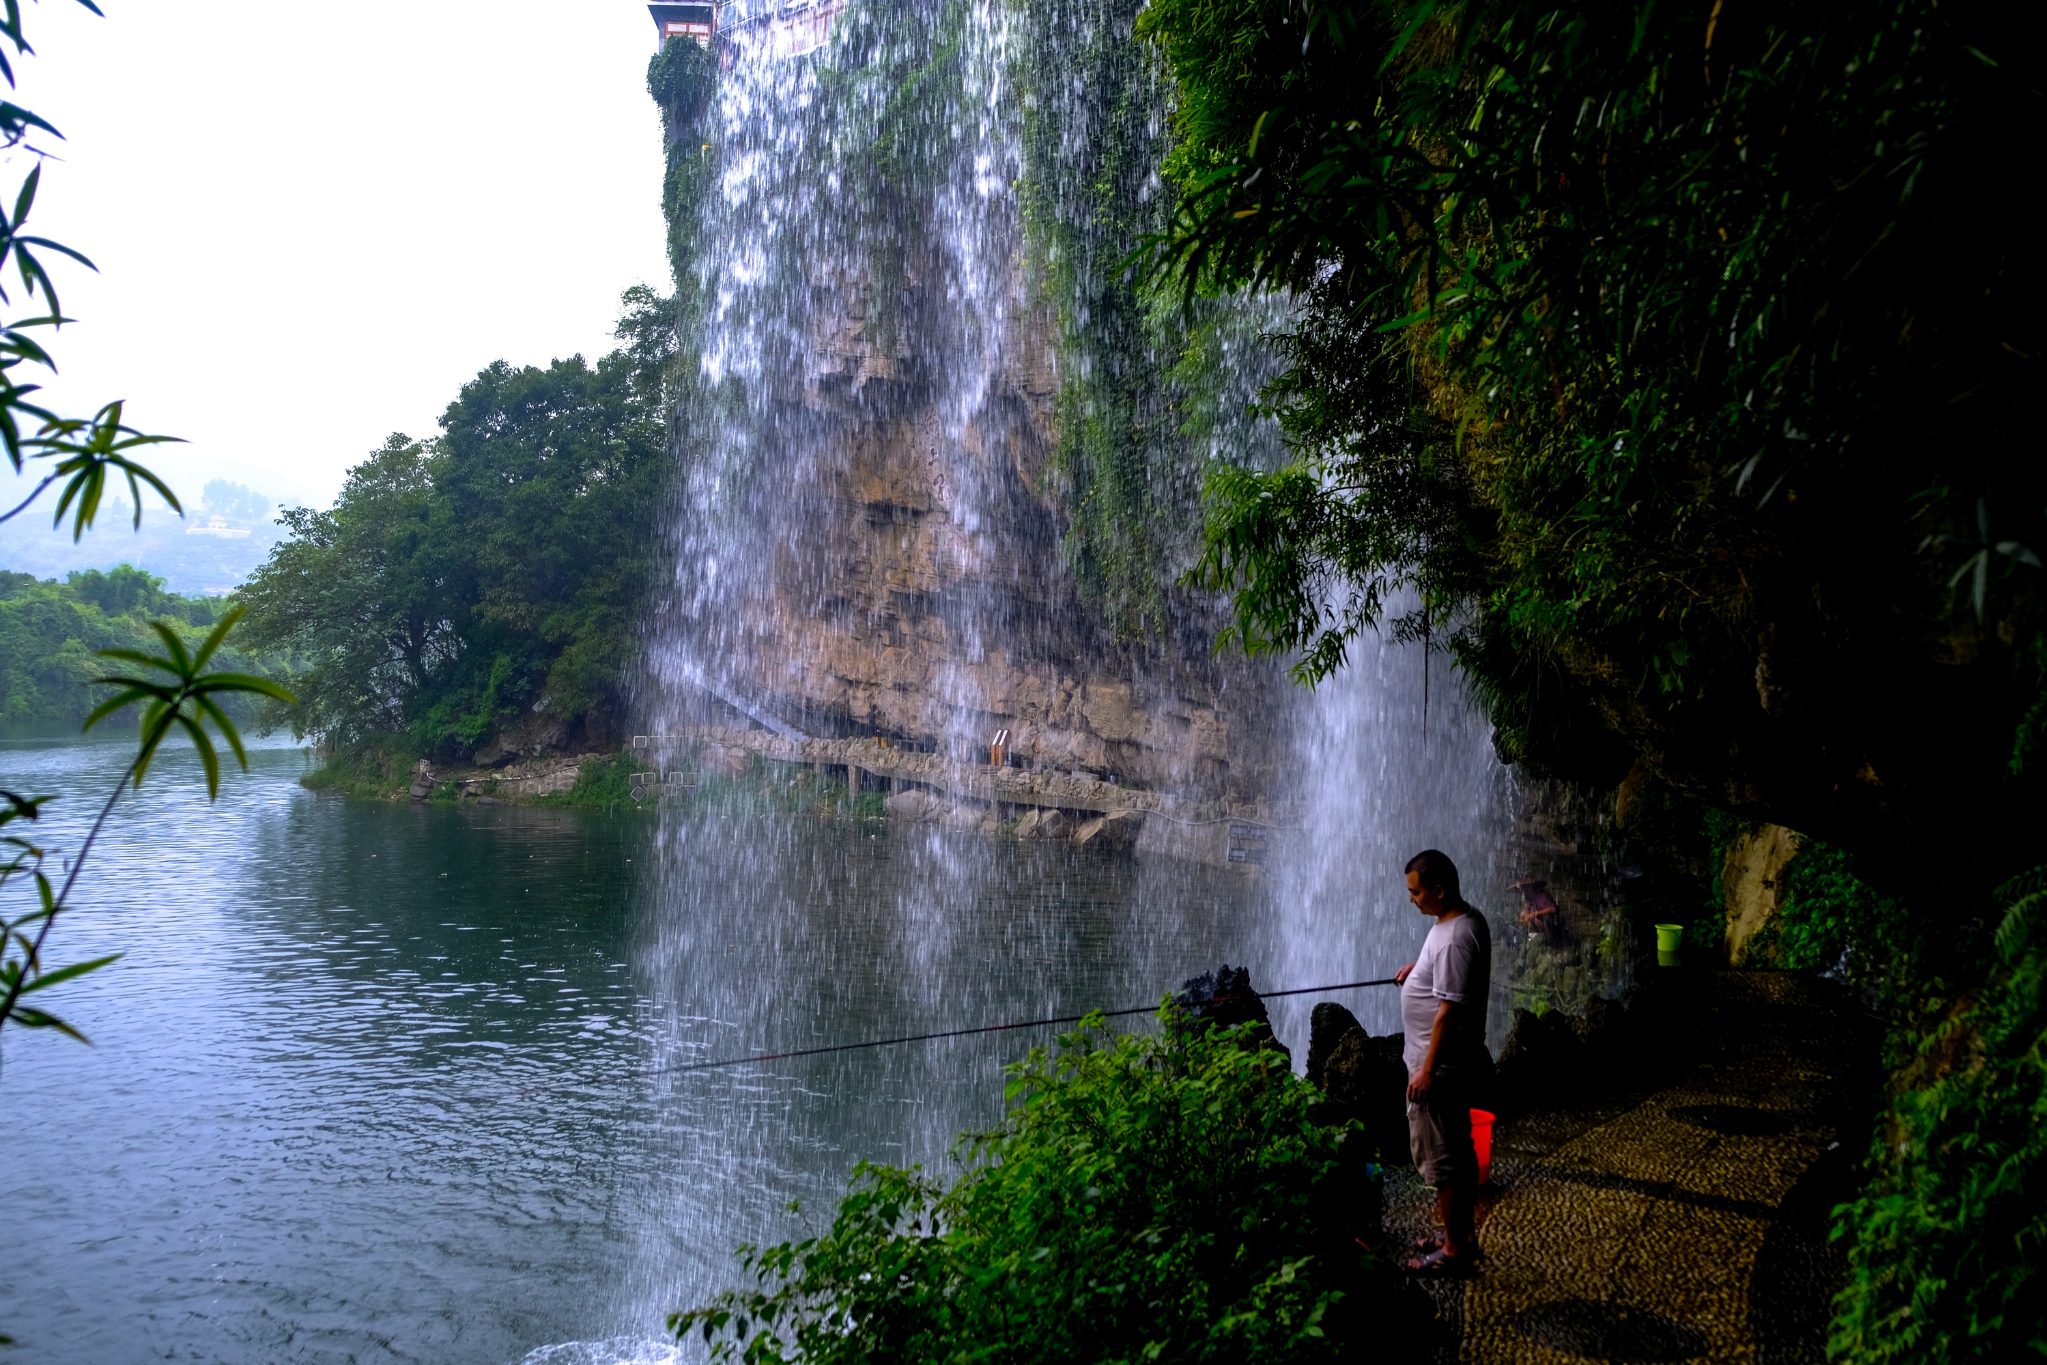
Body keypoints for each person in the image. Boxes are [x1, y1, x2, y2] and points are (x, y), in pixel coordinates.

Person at [1392, 848, 1493, 1273]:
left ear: (1439, 889)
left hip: (1440, 1070)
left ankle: (1453, 1252)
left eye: (1416, 893)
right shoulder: (1460, 921)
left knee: (1444, 1162)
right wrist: (1420, 971)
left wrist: (1426, 1071)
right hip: (1451, 1064)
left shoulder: (1453, 939)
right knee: (1460, 1153)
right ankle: (1461, 1233)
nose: (1411, 899)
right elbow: (1450, 972)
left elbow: (1448, 1012)